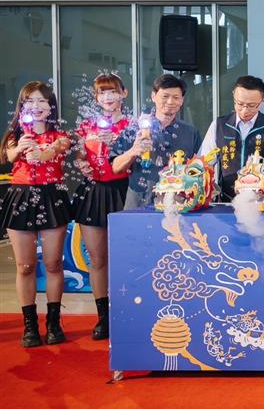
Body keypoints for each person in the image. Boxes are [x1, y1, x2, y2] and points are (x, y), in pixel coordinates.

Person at [0, 81, 72, 347]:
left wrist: (42, 152)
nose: (36, 106)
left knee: (53, 264)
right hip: (20, 197)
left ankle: (53, 322)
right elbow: (10, 155)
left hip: (52, 196)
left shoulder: (61, 136)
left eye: (42, 100)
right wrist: (21, 148)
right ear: (22, 107)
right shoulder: (15, 135)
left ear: (51, 106)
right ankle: (29, 325)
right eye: (30, 101)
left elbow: (54, 150)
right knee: (25, 266)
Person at [70, 74, 131, 340]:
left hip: (125, 192)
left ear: (123, 94)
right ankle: (103, 318)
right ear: (96, 98)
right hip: (94, 192)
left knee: (127, 258)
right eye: (102, 93)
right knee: (97, 259)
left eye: (113, 91)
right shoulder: (86, 126)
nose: (108, 97)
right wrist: (82, 162)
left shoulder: (133, 126)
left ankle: (129, 312)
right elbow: (79, 156)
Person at [112, 74, 202, 208]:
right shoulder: (135, 128)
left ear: (182, 100)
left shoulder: (190, 132)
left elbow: (199, 168)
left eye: (176, 97)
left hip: (177, 205)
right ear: (153, 96)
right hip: (139, 203)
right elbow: (116, 167)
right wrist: (134, 151)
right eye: (165, 96)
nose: (170, 102)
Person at [200, 75, 264, 201]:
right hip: (227, 201)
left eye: (252, 105)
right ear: (233, 96)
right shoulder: (219, 125)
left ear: (262, 101)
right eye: (240, 104)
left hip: (261, 202)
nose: (245, 110)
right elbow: (205, 161)